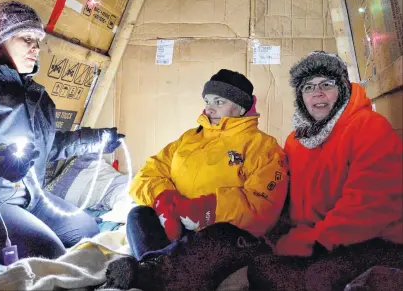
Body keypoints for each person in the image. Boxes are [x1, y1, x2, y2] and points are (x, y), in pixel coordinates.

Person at [0, 1, 125, 264]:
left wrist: (93, 140)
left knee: (86, 231)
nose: (35, 47)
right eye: (26, 38)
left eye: (38, 41)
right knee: (48, 252)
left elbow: (47, 147)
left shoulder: (37, 97)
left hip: (29, 198)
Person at [104, 69, 288, 290]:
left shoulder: (264, 147)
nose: (209, 108)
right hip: (176, 226)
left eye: (219, 101)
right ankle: (164, 269)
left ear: (240, 107)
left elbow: (263, 207)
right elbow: (149, 172)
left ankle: (155, 271)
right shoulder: (189, 138)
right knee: (139, 214)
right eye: (207, 101)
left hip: (220, 233)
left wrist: (207, 209)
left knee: (223, 234)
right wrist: (165, 200)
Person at [247, 51, 403, 291]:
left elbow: (369, 206)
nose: (317, 93)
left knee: (319, 278)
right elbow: (283, 195)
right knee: (260, 268)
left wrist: (311, 243)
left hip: (373, 240)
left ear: (342, 89)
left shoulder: (369, 126)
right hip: (316, 238)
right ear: (300, 97)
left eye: (326, 84)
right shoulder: (295, 140)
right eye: (308, 87)